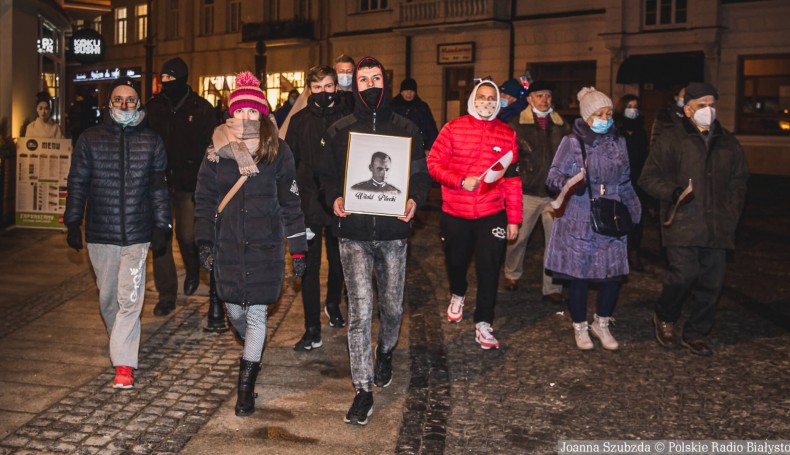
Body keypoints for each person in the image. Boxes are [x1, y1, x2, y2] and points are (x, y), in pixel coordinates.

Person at [322, 56, 430, 426]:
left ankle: (385, 351)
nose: (369, 84)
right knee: (360, 312)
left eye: (376, 78)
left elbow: (420, 176)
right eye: (363, 79)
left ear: (386, 82)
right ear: (355, 85)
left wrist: (414, 200)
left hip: (393, 235)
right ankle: (363, 390)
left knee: (393, 308)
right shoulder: (339, 129)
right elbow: (327, 177)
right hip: (352, 234)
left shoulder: (407, 129)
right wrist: (333, 198)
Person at [194, 71, 307, 416]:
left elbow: (291, 201)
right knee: (235, 311)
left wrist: (298, 247)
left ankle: (245, 389)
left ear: (263, 114)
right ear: (231, 112)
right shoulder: (215, 152)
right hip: (228, 246)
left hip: (265, 247)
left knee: (256, 315)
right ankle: (251, 351)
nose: (246, 117)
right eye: (241, 111)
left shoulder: (278, 151)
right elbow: (204, 200)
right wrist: (204, 242)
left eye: (253, 112)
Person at [64, 76, 171, 388]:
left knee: (130, 298)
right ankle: (120, 341)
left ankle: (124, 365)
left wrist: (163, 225)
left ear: (138, 104)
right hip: (101, 232)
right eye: (118, 100)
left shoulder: (151, 140)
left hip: (138, 234)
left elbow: (159, 187)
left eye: (130, 100)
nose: (124, 105)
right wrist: (72, 221)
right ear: (108, 105)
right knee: (109, 297)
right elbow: (78, 182)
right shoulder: (90, 139)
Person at [639, 82, 749, 357]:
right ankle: (665, 316)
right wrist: (674, 193)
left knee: (712, 283)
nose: (708, 111)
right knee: (683, 276)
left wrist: (731, 210)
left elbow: (740, 179)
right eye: (702, 105)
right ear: (688, 110)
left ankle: (697, 332)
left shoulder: (728, 141)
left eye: (712, 105)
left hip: (717, 225)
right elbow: (648, 178)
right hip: (683, 222)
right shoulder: (671, 139)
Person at [427, 79, 522, 350]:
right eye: (482, 96)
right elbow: (433, 164)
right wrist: (459, 180)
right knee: (456, 262)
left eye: (492, 98)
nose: (487, 102)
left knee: (489, 268)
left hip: (492, 212)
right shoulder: (453, 128)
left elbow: (513, 180)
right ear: (473, 98)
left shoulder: (507, 134)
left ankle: (484, 322)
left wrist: (513, 218)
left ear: (498, 102)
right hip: (455, 211)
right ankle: (458, 292)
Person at [544, 87, 641, 351]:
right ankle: (580, 327)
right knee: (580, 276)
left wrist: (633, 207)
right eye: (599, 113)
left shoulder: (618, 142)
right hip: (579, 216)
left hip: (611, 214)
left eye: (609, 113)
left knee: (612, 274)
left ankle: (602, 322)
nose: (605, 118)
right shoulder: (572, 142)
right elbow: (552, 177)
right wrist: (572, 182)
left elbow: (625, 179)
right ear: (587, 116)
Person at [146, 57, 223, 331]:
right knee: (161, 240)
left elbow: (213, 144)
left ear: (182, 79)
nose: (167, 84)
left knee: (188, 235)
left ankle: (193, 269)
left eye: (171, 79)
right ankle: (166, 294)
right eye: (163, 79)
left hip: (190, 183)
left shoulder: (200, 108)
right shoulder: (154, 108)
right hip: (158, 183)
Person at [284, 64, 350, 351]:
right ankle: (311, 328)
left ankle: (333, 302)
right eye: (317, 87)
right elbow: (290, 161)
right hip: (309, 203)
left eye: (328, 86)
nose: (323, 92)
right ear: (309, 89)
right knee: (309, 268)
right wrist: (291, 197)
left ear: (336, 86)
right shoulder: (300, 121)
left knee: (339, 262)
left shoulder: (348, 116)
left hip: (339, 201)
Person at [502, 81, 570, 303]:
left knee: (555, 243)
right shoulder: (516, 124)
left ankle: (552, 287)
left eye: (548, 95)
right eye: (539, 95)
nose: (544, 100)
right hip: (528, 191)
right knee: (518, 238)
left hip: (554, 195)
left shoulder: (562, 126)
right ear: (529, 99)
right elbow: (509, 158)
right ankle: (512, 274)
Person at [614, 94, 650, 272]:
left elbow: (644, 156)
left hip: (637, 182)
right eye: (629, 106)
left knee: (637, 219)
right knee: (620, 219)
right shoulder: (614, 130)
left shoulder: (641, 132)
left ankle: (634, 252)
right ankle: (619, 253)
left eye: (636, 106)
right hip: (619, 182)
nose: (633, 109)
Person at [390, 78, 439, 152]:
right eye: (406, 91)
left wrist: (429, 148)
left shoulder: (422, 107)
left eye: (411, 91)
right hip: (397, 146)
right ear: (401, 92)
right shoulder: (393, 107)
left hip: (419, 148)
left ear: (415, 92)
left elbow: (431, 129)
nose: (409, 94)